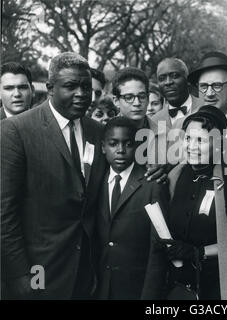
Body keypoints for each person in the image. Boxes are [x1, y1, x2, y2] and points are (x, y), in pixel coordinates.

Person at [1, 52, 107, 299]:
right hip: (37, 273)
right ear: (50, 89)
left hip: (86, 275)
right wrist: (18, 276)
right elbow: (4, 212)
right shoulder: (15, 131)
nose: (81, 93)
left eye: (85, 86)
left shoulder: (99, 132)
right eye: (70, 86)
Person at [151, 105, 227, 300]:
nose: (191, 146)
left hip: (215, 286)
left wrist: (198, 252)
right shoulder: (175, 175)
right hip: (178, 286)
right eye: (187, 139)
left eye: (200, 140)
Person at [96, 117, 169, 299]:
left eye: (128, 144)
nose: (120, 151)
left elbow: (158, 248)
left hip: (135, 289)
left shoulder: (152, 185)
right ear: (103, 147)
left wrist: (150, 296)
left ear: (137, 148)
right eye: (113, 144)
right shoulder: (95, 182)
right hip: (99, 288)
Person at [112, 67, 168, 182]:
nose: (137, 103)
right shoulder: (103, 133)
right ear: (116, 101)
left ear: (148, 99)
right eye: (129, 98)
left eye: (141, 97)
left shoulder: (165, 134)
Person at [153, 58, 199, 129]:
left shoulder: (206, 108)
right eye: (162, 78)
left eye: (174, 76)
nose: (168, 82)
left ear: (187, 79)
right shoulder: (154, 121)